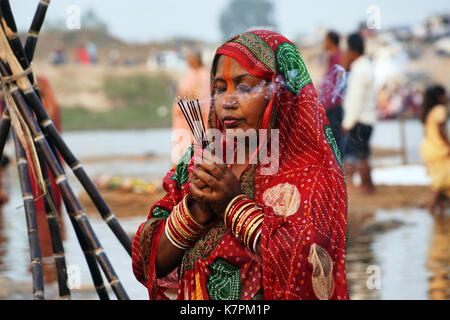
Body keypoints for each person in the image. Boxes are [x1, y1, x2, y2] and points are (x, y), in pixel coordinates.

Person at [132, 30, 349, 300]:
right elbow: (146, 263)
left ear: (278, 93)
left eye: (245, 87)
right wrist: (195, 211)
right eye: (220, 88)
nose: (228, 101)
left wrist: (231, 205)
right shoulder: (201, 161)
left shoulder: (311, 174)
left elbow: (310, 272)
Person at [341, 33, 377, 194]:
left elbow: (356, 100)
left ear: (353, 51)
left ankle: (365, 187)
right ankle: (369, 186)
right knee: (364, 155)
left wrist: (347, 123)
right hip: (367, 118)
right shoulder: (366, 66)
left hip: (360, 119)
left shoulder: (359, 70)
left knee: (361, 156)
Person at [171, 49, 210, 166]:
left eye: (191, 58)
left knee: (196, 143)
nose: (188, 61)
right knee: (181, 144)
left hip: (196, 116)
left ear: (197, 59)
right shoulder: (188, 74)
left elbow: (204, 97)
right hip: (183, 117)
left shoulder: (204, 75)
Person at [420, 85, 450, 217]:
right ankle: (432, 207)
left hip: (429, 148)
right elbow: (441, 130)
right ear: (439, 97)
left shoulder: (429, 111)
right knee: (442, 179)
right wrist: (448, 145)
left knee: (442, 178)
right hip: (439, 149)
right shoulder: (440, 110)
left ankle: (440, 209)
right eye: (445, 95)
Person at [319, 30, 345, 155]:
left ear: (330, 42)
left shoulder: (338, 57)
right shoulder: (333, 57)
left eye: (325, 40)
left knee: (334, 142)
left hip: (334, 104)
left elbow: (339, 81)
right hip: (329, 104)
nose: (323, 43)